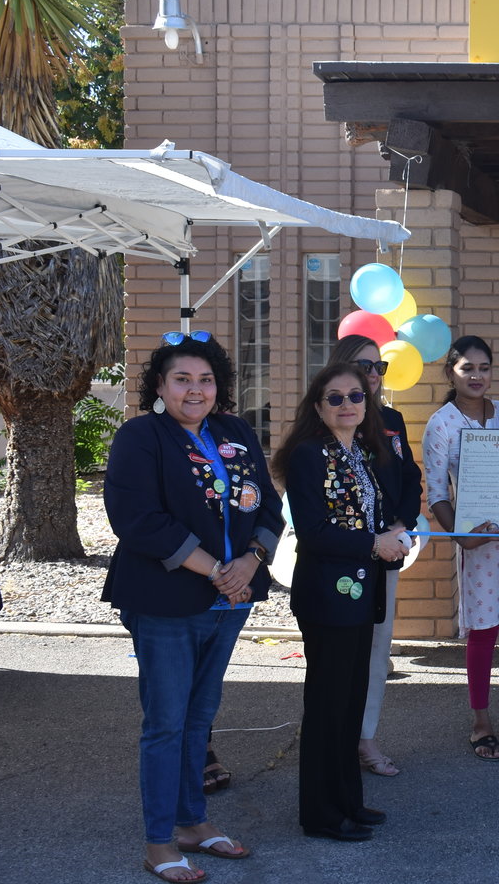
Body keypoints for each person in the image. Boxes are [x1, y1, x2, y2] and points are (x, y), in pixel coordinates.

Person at [105, 331, 284, 882]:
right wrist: (218, 571)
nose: (195, 389)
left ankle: (192, 824)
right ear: (159, 385)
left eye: (205, 380)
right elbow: (137, 519)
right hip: (167, 600)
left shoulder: (234, 431)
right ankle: (159, 840)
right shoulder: (141, 436)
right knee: (166, 721)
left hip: (233, 600)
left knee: (199, 719)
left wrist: (251, 563)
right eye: (181, 379)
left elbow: (271, 507)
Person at [276, 363, 406, 842]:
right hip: (327, 599)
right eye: (334, 398)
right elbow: (312, 531)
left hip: (359, 596)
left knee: (350, 705)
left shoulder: (361, 453)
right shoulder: (310, 455)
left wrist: (392, 528)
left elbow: (374, 512)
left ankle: (349, 801)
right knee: (328, 706)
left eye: (355, 395)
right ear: (317, 407)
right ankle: (321, 814)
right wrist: (373, 544)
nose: (347, 404)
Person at [424, 336, 499, 760]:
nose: (476, 376)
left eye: (483, 368)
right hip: (478, 543)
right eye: (466, 368)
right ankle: (480, 722)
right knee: (482, 631)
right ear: (451, 373)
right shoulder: (441, 423)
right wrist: (460, 535)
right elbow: (437, 493)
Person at [327, 335, 425, 776]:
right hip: (340, 558)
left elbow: (409, 477)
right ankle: (335, 741)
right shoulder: (328, 415)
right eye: (364, 366)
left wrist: (402, 525)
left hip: (388, 550)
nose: (372, 375)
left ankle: (366, 738)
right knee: (340, 654)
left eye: (378, 367)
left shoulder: (391, 419)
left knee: (377, 648)